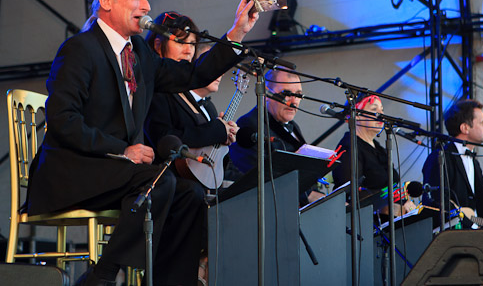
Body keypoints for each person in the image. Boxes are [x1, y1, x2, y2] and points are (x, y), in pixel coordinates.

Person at [26, 0, 258, 286]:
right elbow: (63, 120)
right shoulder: (80, 49)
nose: (147, 6)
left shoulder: (139, 55)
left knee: (188, 193)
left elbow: (193, 76)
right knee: (158, 181)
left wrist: (236, 34)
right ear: (106, 1)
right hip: (75, 172)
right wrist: (122, 150)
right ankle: (104, 274)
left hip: (118, 174)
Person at [144, 12, 237, 164]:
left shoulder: (186, 93)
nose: (188, 50)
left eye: (193, 44)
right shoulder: (153, 89)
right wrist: (216, 131)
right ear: (158, 45)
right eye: (181, 42)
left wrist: (223, 135)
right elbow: (164, 138)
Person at [228, 68, 323, 206]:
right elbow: (257, 177)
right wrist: (308, 195)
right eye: (287, 93)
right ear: (266, 94)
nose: (294, 101)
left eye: (298, 95)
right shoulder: (250, 124)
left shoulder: (293, 126)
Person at [331, 94, 415, 216]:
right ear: (357, 116)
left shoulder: (378, 147)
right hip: (368, 219)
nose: (381, 115)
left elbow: (391, 187)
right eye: (374, 110)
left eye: (382, 110)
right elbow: (352, 193)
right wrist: (389, 206)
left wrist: (404, 203)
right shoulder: (349, 146)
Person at [422, 99, 483, 227]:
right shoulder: (440, 157)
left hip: (476, 232)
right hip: (454, 234)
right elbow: (436, 200)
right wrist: (463, 215)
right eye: (482, 123)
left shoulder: (474, 161)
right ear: (465, 128)